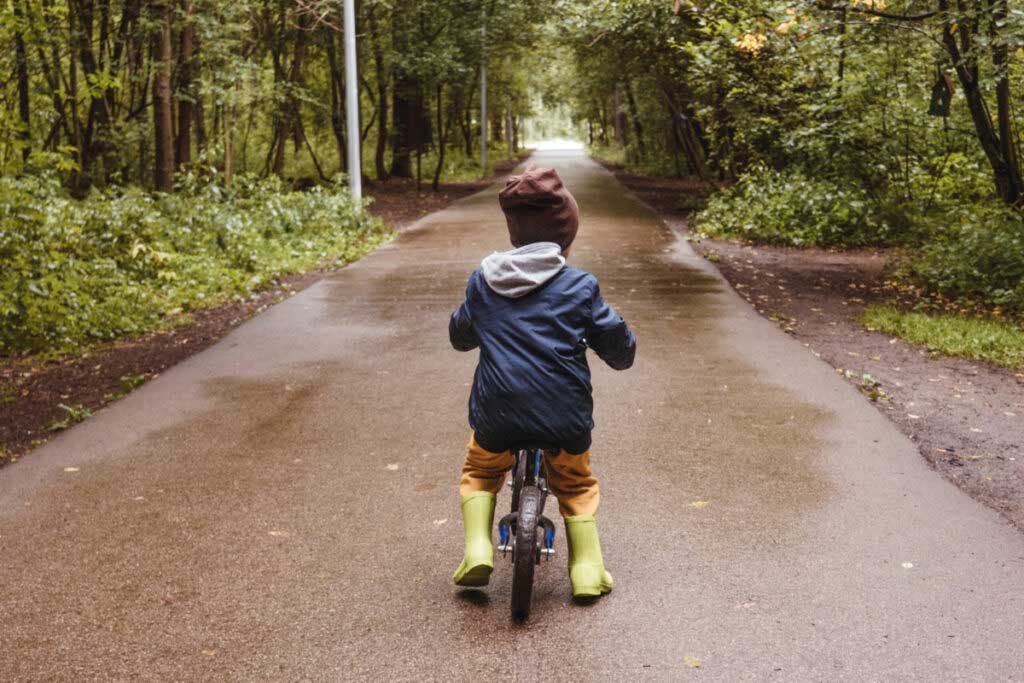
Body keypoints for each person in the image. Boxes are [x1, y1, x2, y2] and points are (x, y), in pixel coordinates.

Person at [448, 164, 636, 599]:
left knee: (480, 469)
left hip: (497, 415)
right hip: (564, 417)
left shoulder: (484, 282)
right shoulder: (580, 286)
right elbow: (615, 344)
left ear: (514, 233)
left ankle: (477, 547)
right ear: (566, 236)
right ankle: (588, 568)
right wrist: (620, 348)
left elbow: (460, 336)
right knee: (575, 482)